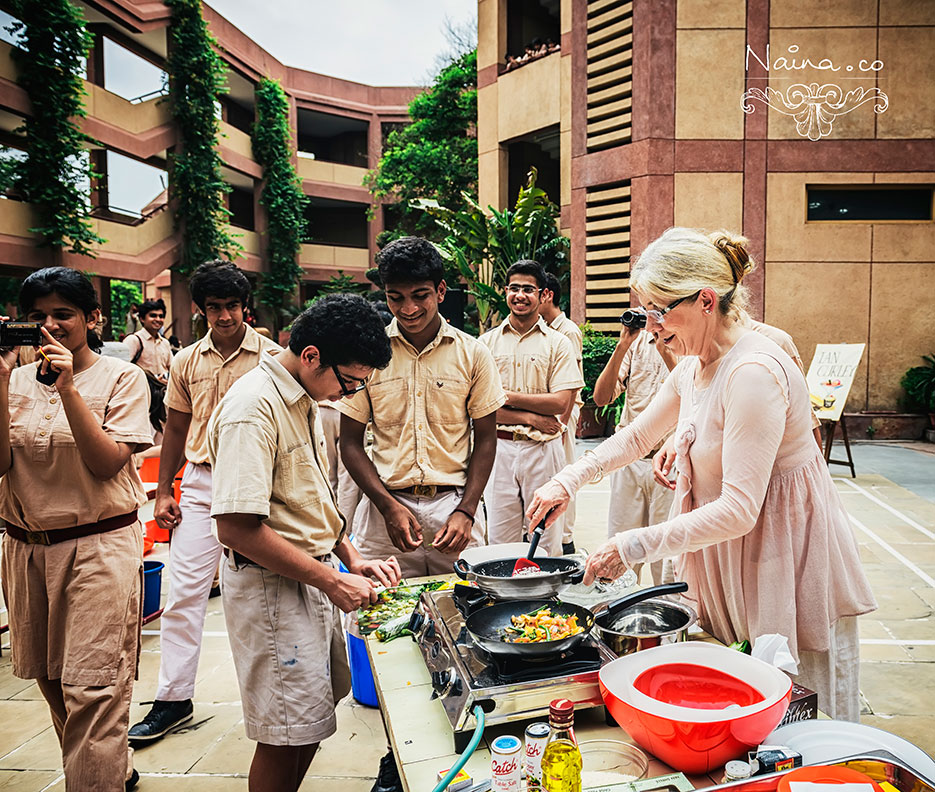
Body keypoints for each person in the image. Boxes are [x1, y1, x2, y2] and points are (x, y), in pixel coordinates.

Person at [527, 228, 876, 720]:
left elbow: (738, 510)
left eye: (659, 310)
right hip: (729, 550)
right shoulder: (695, 365)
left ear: (706, 300)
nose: (651, 328)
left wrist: (633, 545)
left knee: (790, 700)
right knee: (735, 677)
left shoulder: (752, 371)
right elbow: (636, 437)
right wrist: (569, 478)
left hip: (780, 549)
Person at [207, 294, 400, 792]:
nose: (349, 392)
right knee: (282, 733)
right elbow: (235, 527)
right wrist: (332, 582)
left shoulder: (305, 397)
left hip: (308, 576)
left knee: (308, 720)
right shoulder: (253, 408)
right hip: (272, 588)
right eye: (349, 380)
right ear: (311, 354)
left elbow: (310, 497)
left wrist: (352, 558)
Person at [0, 268, 152, 791]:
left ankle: (96, 779)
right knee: (50, 679)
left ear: (92, 319)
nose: (49, 326)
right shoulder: (13, 379)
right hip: (25, 549)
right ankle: (109, 770)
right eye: (37, 317)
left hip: (99, 546)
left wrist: (67, 388)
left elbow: (107, 462)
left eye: (62, 314)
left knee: (93, 688)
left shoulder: (121, 377)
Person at [128, 260, 281, 744]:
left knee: (264, 593)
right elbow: (175, 427)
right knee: (184, 594)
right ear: (201, 310)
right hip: (199, 481)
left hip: (259, 486)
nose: (224, 316)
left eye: (232, 306)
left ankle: (276, 700)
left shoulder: (274, 357)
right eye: (214, 308)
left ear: (245, 307)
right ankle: (173, 698)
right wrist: (166, 490)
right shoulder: (186, 360)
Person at [340, 237, 504, 576]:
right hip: (383, 511)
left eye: (420, 296)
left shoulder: (472, 354)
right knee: (381, 617)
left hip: (454, 509)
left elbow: (487, 438)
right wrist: (387, 507)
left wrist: (467, 511)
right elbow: (350, 442)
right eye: (395, 298)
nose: (408, 309)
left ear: (441, 291)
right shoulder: (367, 356)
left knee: (465, 613)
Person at [479, 260, 583, 556]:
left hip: (543, 450)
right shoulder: (485, 344)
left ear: (542, 294)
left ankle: (546, 601)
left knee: (546, 536)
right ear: (505, 292)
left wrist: (505, 396)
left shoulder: (558, 343)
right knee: (500, 539)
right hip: (499, 449)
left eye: (528, 289)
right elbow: (480, 407)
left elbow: (561, 401)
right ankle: (505, 601)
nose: (520, 295)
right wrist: (528, 416)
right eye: (514, 288)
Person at [592, 323, 677, 585]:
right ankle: (621, 617)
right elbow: (601, 397)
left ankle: (668, 618)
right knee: (621, 550)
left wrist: (665, 350)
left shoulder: (689, 341)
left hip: (670, 463)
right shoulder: (638, 343)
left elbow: (696, 391)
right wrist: (622, 345)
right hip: (630, 461)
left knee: (667, 555)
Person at [539, 272, 584, 555]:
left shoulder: (567, 331)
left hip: (564, 415)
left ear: (547, 295)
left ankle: (566, 539)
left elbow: (570, 386)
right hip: (551, 415)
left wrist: (562, 425)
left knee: (565, 473)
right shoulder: (545, 328)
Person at [123, 298, 172, 385]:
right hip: (143, 390)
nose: (158, 319)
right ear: (142, 319)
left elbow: (172, 367)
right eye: (153, 315)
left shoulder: (165, 343)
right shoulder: (134, 340)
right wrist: (153, 380)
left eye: (161, 316)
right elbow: (123, 369)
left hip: (163, 391)